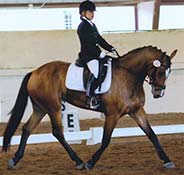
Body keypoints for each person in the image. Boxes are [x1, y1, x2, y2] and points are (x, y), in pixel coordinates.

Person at [76, 0, 119, 109]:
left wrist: (110, 48)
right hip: (88, 56)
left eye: (93, 11)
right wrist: (100, 53)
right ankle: (91, 97)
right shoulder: (82, 27)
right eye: (90, 11)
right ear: (83, 13)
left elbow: (99, 39)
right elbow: (88, 44)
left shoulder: (92, 25)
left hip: (95, 54)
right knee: (96, 71)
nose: (92, 14)